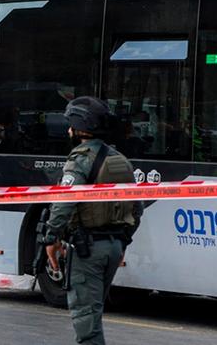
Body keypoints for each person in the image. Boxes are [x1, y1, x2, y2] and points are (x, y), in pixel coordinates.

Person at [43, 96, 143, 345]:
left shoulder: (80, 160)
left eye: (70, 125)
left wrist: (50, 239)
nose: (68, 130)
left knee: (86, 319)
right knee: (94, 312)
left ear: (78, 127)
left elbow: (64, 203)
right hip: (113, 246)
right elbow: (137, 208)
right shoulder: (120, 160)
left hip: (88, 249)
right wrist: (122, 242)